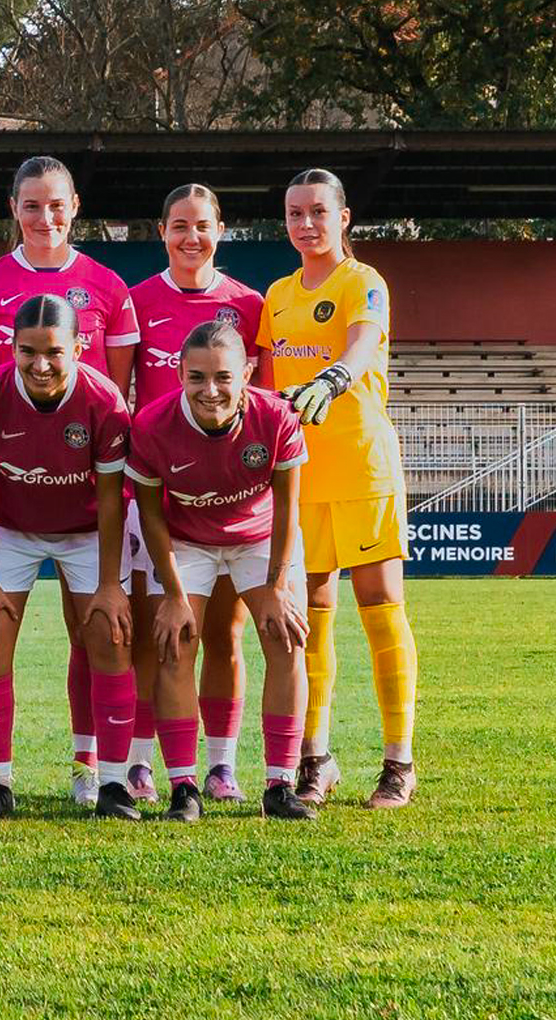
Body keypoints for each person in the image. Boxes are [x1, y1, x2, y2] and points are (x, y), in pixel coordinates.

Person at [0, 155, 140, 808]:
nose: (44, 216)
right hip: (8, 515)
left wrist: (114, 577)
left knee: (104, 631)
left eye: (56, 203)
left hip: (87, 515)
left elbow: (115, 393)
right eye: (31, 204)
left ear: (74, 207)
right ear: (14, 209)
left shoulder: (107, 295)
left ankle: (101, 773)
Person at [260, 168, 420, 809]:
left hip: (362, 468)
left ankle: (398, 761)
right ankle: (316, 758)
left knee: (381, 608)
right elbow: (269, 381)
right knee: (312, 620)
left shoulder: (364, 282)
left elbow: (360, 349)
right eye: (295, 212)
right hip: (301, 477)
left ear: (343, 217)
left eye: (317, 212)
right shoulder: (277, 294)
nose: (305, 224)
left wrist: (329, 381)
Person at [126, 320, 316, 821]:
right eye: (197, 378)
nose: (210, 391)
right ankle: (183, 787)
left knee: (286, 636)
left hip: (258, 536)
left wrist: (277, 585)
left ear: (247, 373)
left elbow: (289, 507)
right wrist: (172, 593)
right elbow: (149, 513)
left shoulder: (276, 417)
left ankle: (279, 784)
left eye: (224, 377)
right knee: (174, 642)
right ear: (181, 375)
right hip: (185, 538)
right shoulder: (151, 424)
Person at [125, 183, 267, 805]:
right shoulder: (137, 301)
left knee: (225, 635)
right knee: (153, 635)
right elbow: (122, 396)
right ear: (162, 231)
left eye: (202, 225)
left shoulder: (250, 304)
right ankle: (140, 761)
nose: (191, 237)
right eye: (179, 225)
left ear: (221, 229)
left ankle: (222, 765)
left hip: (231, 500)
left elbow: (262, 405)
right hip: (158, 495)